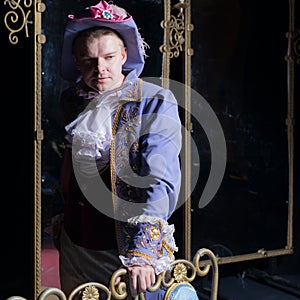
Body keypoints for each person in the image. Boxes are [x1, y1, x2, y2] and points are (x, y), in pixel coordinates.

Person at [58, 1, 182, 299]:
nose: (100, 69)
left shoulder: (154, 100)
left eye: (109, 57)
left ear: (124, 55)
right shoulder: (72, 100)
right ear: (76, 61)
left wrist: (142, 254)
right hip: (74, 246)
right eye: (88, 60)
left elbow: (158, 179)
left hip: (124, 254)